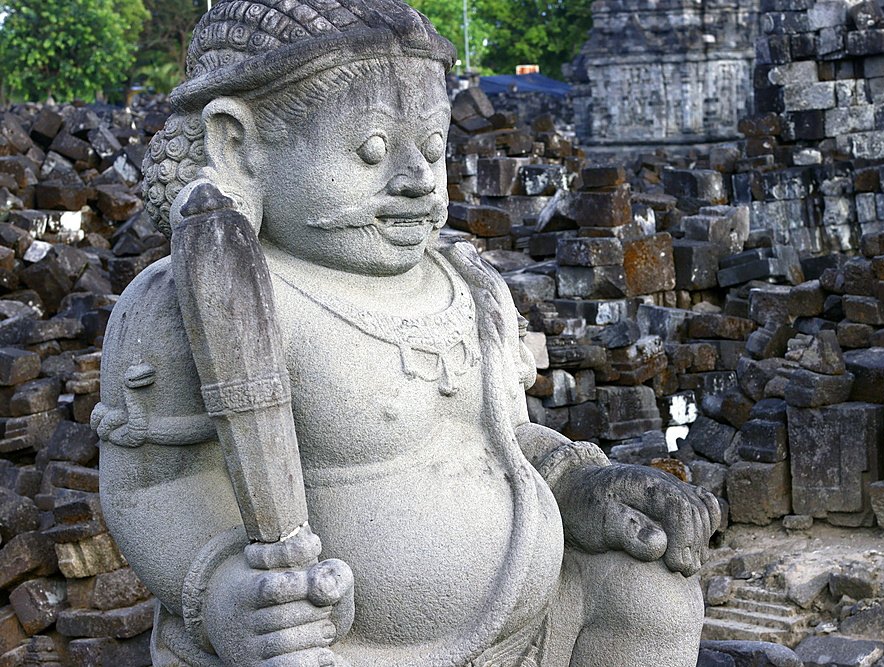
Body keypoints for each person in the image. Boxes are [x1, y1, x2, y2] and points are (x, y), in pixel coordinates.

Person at [94, 2, 721, 666]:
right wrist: (222, 589)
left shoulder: (470, 286)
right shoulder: (193, 298)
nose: (418, 178)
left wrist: (577, 484)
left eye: (431, 147)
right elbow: (153, 486)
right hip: (339, 647)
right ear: (239, 145)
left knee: (651, 593)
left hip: (527, 625)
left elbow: (496, 441)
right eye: (370, 150)